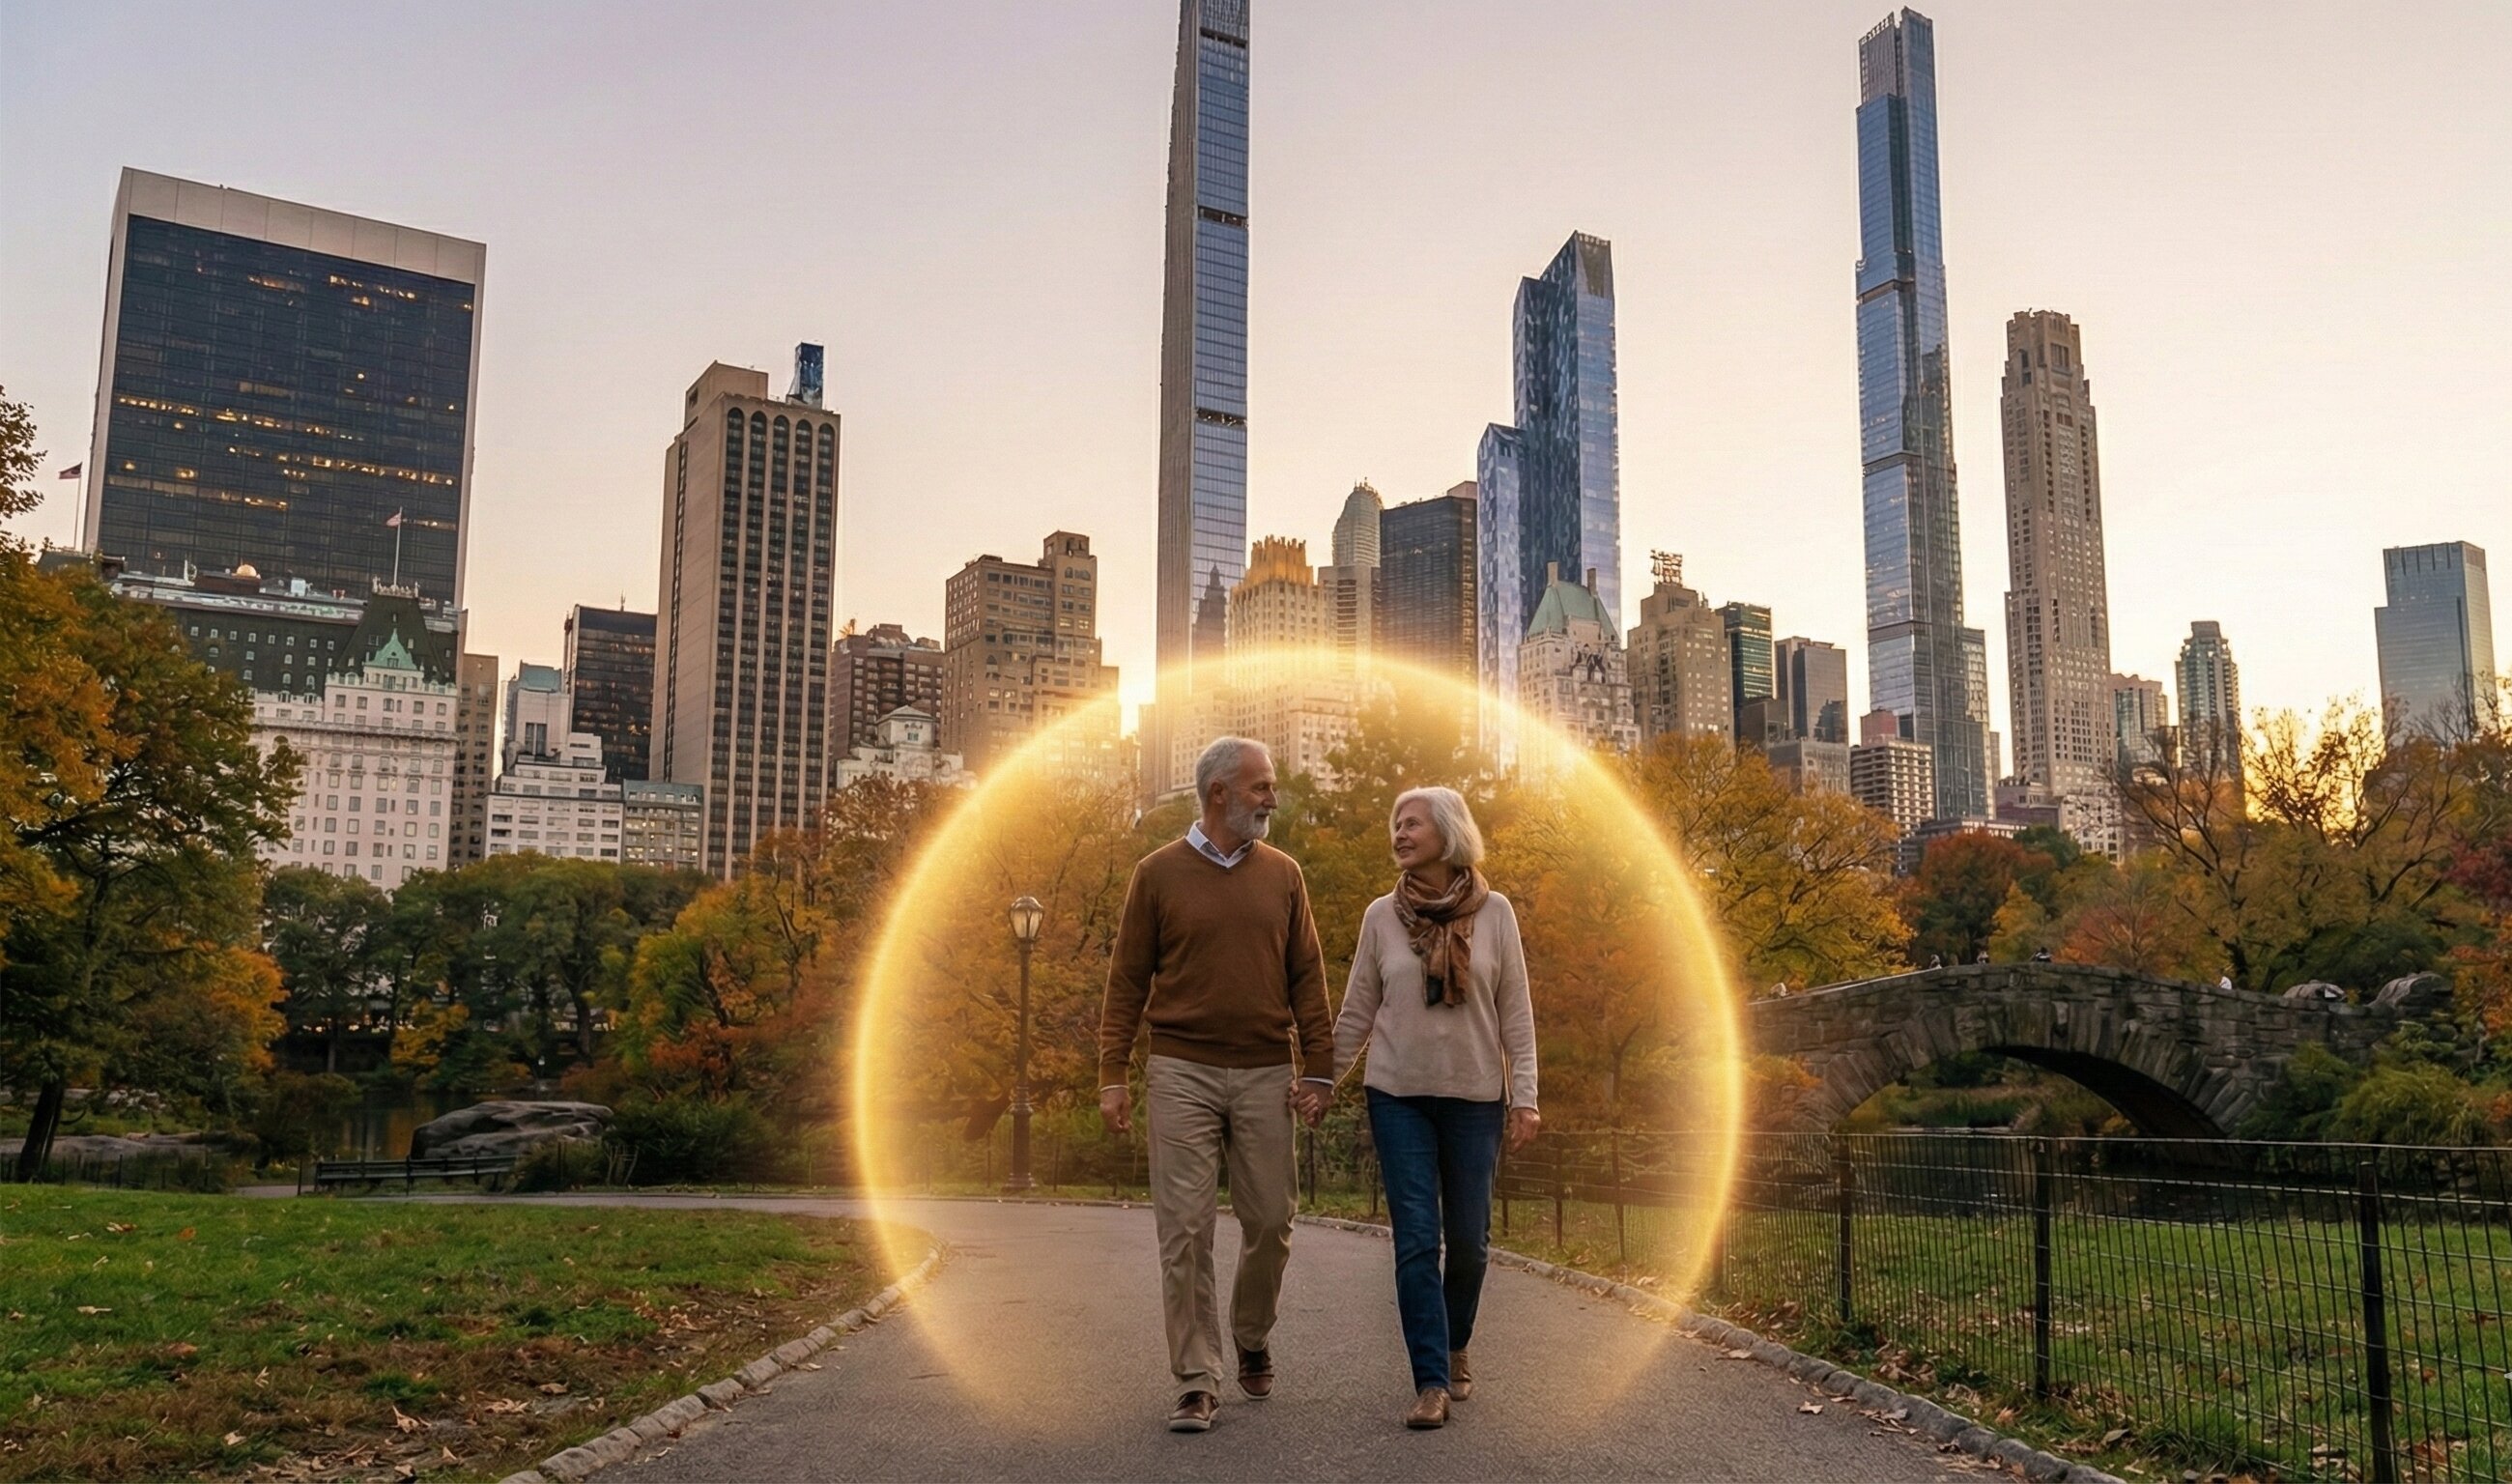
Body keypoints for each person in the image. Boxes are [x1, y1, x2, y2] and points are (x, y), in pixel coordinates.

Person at [1098, 736, 1335, 1434]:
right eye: (1261, 786)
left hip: (1266, 1068)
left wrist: (1318, 1070)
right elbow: (1125, 980)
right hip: (1180, 1069)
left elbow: (1309, 979)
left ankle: (1251, 1333)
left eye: (1270, 786)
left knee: (1270, 1220)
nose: (1272, 797)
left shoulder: (1284, 875)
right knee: (1185, 1230)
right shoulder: (1157, 873)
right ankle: (1198, 1379)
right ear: (1219, 794)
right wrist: (1112, 1073)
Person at [1325, 785, 1538, 1430]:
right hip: (1397, 1097)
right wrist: (1320, 1081)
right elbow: (1358, 1010)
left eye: (1411, 823)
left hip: (1475, 1098)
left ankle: (1456, 1339)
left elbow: (1517, 1016)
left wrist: (1524, 1096)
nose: (1399, 832)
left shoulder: (1496, 913)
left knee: (1469, 1244)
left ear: (1446, 833)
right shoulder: (1379, 917)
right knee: (1418, 1240)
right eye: (1395, 823)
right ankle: (1432, 1382)